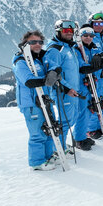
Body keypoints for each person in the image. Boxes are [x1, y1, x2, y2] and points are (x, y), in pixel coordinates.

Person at [13, 31, 65, 170]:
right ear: (25, 44)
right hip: (31, 103)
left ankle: (48, 157)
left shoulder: (41, 57)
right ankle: (36, 162)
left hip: (44, 99)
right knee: (37, 133)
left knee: (50, 129)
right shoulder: (21, 61)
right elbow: (28, 81)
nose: (37, 45)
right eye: (33, 42)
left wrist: (54, 72)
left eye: (40, 42)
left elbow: (54, 66)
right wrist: (46, 80)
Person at [44, 20, 82, 150]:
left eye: (71, 31)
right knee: (65, 121)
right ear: (58, 31)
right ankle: (58, 149)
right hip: (63, 91)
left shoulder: (68, 47)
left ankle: (60, 146)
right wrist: (66, 88)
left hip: (72, 90)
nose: (69, 33)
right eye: (66, 31)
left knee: (71, 119)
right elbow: (53, 74)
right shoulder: (55, 50)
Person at [74, 27, 103, 147]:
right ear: (80, 36)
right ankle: (79, 138)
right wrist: (99, 65)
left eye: (91, 36)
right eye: (85, 36)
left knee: (93, 108)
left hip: (95, 82)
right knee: (83, 112)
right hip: (82, 84)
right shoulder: (77, 49)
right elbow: (83, 67)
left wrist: (100, 57)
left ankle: (84, 134)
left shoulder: (94, 47)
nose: (88, 38)